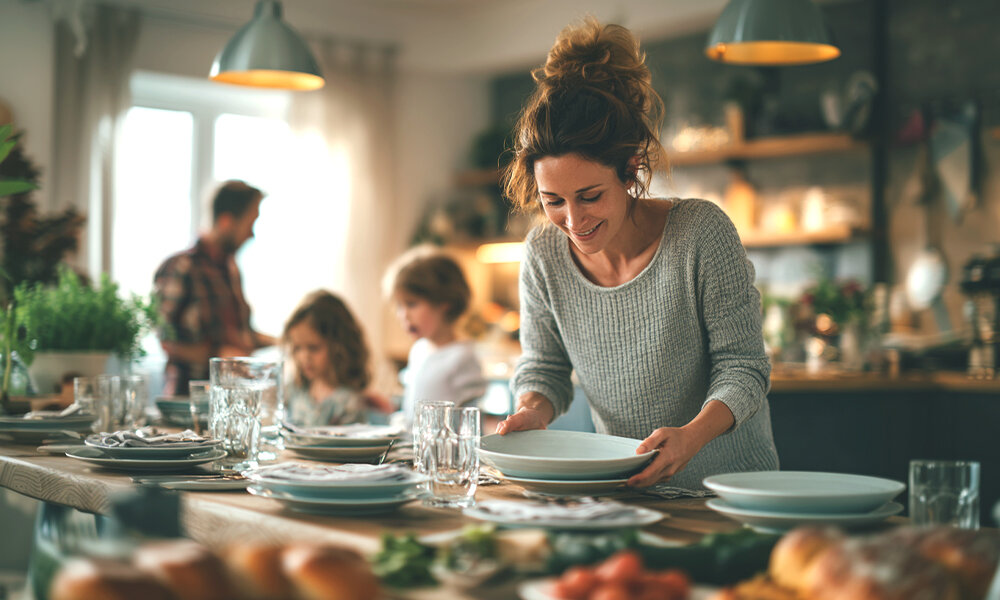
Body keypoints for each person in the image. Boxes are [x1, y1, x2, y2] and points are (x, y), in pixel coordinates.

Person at [495, 17, 779, 490]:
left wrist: (690, 437)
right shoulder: (543, 254)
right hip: (628, 493)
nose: (573, 220)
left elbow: (744, 368)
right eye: (553, 201)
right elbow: (544, 368)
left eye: (589, 196)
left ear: (630, 171)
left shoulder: (700, 233)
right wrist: (531, 410)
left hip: (732, 493)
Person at [153, 180, 277, 396]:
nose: (252, 234)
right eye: (251, 223)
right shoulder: (181, 267)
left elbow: (240, 336)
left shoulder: (231, 270)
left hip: (231, 400)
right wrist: (218, 356)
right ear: (227, 221)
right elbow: (167, 340)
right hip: (188, 401)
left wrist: (284, 340)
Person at [384, 246, 486, 426]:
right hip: (414, 449)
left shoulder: (462, 357)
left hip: (444, 452)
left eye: (411, 304)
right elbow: (411, 415)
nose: (403, 315)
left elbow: (469, 423)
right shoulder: (419, 350)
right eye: (399, 306)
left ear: (444, 302)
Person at [282, 290, 372, 427]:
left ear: (339, 347)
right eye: (297, 348)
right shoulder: (294, 390)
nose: (304, 357)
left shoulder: (348, 402)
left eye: (313, 348)